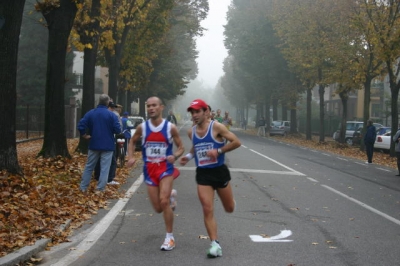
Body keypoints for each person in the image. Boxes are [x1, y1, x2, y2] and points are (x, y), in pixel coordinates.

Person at [179, 99, 241, 258]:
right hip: (203, 173)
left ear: (206, 112)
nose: (194, 115)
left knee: (229, 208)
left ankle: (231, 202)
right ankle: (215, 244)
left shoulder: (217, 127)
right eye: (192, 112)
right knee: (207, 208)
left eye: (197, 111)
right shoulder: (191, 132)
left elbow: (236, 142)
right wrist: (188, 156)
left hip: (219, 172)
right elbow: (196, 147)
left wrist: (218, 151)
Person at [126, 96, 185, 251]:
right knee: (158, 208)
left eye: (154, 105)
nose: (151, 108)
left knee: (164, 201)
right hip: (149, 169)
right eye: (148, 106)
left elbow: (181, 147)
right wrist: (131, 156)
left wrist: (175, 156)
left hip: (165, 168)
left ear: (161, 107)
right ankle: (171, 195)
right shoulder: (143, 128)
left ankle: (169, 238)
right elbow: (132, 141)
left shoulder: (170, 127)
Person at [77, 94, 121, 192]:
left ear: (98, 101)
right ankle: (100, 189)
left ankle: (83, 187)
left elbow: (81, 125)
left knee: (89, 166)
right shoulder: (112, 115)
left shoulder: (91, 113)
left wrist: (84, 135)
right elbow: (118, 130)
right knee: (105, 168)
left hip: (94, 143)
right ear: (108, 102)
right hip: (108, 145)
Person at [93, 101, 120, 185]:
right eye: (112, 108)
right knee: (112, 161)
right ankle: (109, 179)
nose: (113, 109)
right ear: (108, 107)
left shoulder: (96, 114)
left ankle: (97, 176)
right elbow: (117, 129)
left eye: (113, 108)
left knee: (97, 159)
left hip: (96, 141)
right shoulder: (111, 116)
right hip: (108, 142)